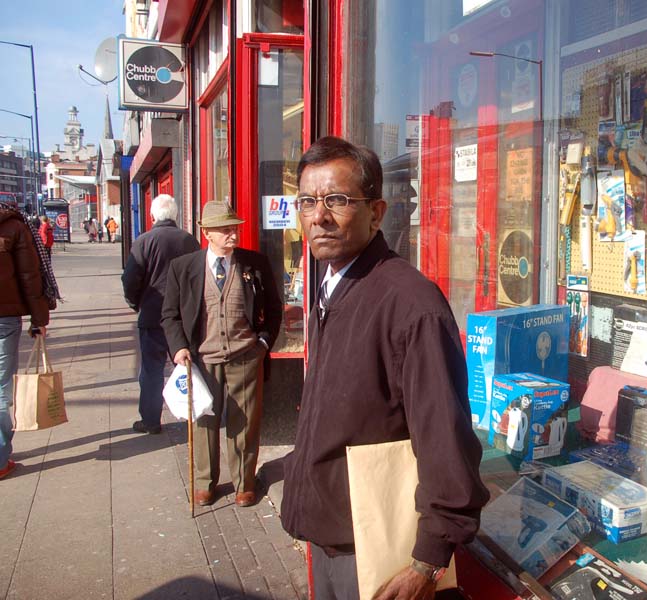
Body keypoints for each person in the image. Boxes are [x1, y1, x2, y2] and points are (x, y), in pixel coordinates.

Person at [280, 137, 488, 599]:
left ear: (377, 212)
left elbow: (445, 441)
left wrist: (428, 561)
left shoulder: (411, 305)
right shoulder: (333, 280)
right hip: (330, 533)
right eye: (308, 201)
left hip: (376, 551)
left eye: (337, 200)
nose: (319, 216)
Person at [161, 201, 281, 507]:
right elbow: (170, 315)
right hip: (202, 358)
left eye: (234, 228)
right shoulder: (183, 267)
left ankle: (244, 482)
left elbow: (274, 309)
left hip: (245, 355)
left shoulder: (255, 264)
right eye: (225, 229)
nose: (232, 234)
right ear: (207, 234)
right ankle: (205, 482)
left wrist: (263, 344)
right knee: (204, 421)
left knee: (245, 423)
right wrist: (179, 349)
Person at [122, 194, 200, 434]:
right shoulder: (189, 241)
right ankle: (196, 416)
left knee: (152, 371)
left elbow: (130, 280)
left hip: (153, 315)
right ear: (175, 215)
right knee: (189, 369)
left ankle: (151, 420)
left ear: (152, 215)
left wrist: (137, 304)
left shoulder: (143, 241)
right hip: (183, 317)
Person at [0, 200, 49, 480]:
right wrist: (39, 319)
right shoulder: (13, 226)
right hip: (4, 317)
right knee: (1, 388)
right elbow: (29, 276)